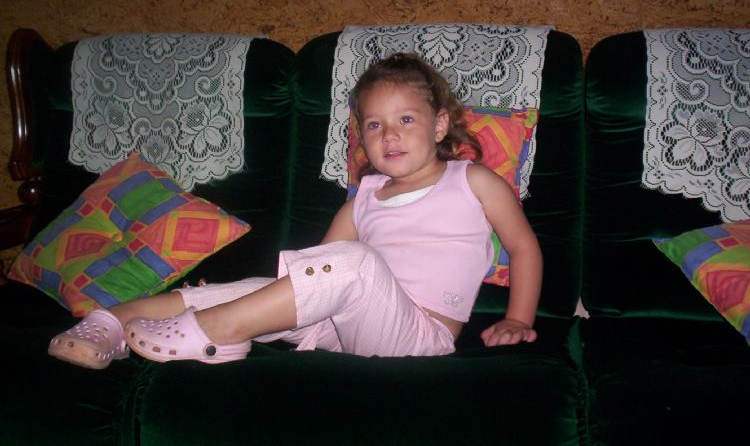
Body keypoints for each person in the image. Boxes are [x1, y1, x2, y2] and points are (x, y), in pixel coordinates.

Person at [48, 52, 543, 370]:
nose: (389, 134)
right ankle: (110, 323)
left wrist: (519, 319)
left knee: (355, 262)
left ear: (439, 126)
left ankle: (218, 331)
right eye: (374, 125)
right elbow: (316, 277)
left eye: (406, 119)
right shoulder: (364, 198)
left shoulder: (472, 180)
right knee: (257, 287)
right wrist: (245, 296)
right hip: (339, 330)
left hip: (417, 340)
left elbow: (523, 248)